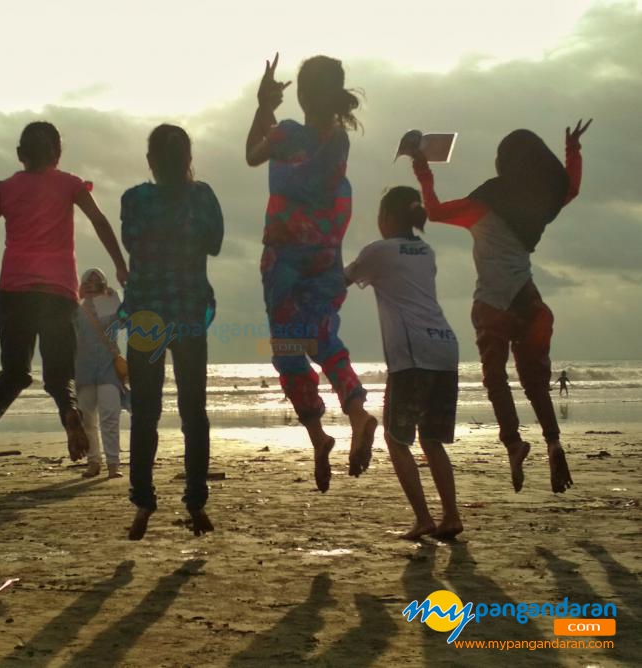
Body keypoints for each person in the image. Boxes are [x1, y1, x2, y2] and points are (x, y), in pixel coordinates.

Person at [409, 119, 590, 494]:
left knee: (495, 377)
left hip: (492, 302)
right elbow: (570, 187)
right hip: (528, 299)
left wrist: (422, 169)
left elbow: (436, 211)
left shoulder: (483, 203)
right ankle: (553, 441)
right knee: (535, 379)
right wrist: (572, 151)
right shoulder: (538, 206)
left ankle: (513, 443)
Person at [245, 54, 377, 493]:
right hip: (324, 255)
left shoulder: (285, 134)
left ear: (300, 94)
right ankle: (356, 412)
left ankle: (318, 435)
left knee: (287, 346)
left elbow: (250, 155)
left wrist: (264, 105)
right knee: (322, 334)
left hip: (284, 256)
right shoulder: (338, 140)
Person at [0, 122, 128, 462]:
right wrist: (118, 263)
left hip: (15, 292)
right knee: (58, 376)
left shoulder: (5, 188)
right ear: (57, 154)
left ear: (20, 154)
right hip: (58, 292)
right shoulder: (70, 184)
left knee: (15, 371)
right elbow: (99, 221)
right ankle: (70, 413)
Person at [119, 124, 223, 540]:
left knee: (145, 412)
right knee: (193, 411)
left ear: (150, 162)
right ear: (189, 159)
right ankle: (196, 502)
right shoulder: (202, 197)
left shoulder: (135, 199)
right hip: (189, 312)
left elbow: (131, 243)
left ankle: (143, 501)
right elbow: (215, 244)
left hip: (146, 314)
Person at [345, 187, 462, 540]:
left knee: (397, 439)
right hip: (445, 347)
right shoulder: (427, 251)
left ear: (388, 218)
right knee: (431, 439)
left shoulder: (379, 251)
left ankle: (424, 519)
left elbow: (342, 280)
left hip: (412, 356)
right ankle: (452, 516)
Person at [75, 268, 127, 479]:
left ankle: (113, 463)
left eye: (97, 280)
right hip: (83, 368)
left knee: (110, 415)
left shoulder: (111, 303)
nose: (92, 283)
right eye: (88, 279)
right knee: (87, 419)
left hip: (108, 368)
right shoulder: (75, 307)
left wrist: (117, 297)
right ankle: (93, 462)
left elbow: (126, 320)